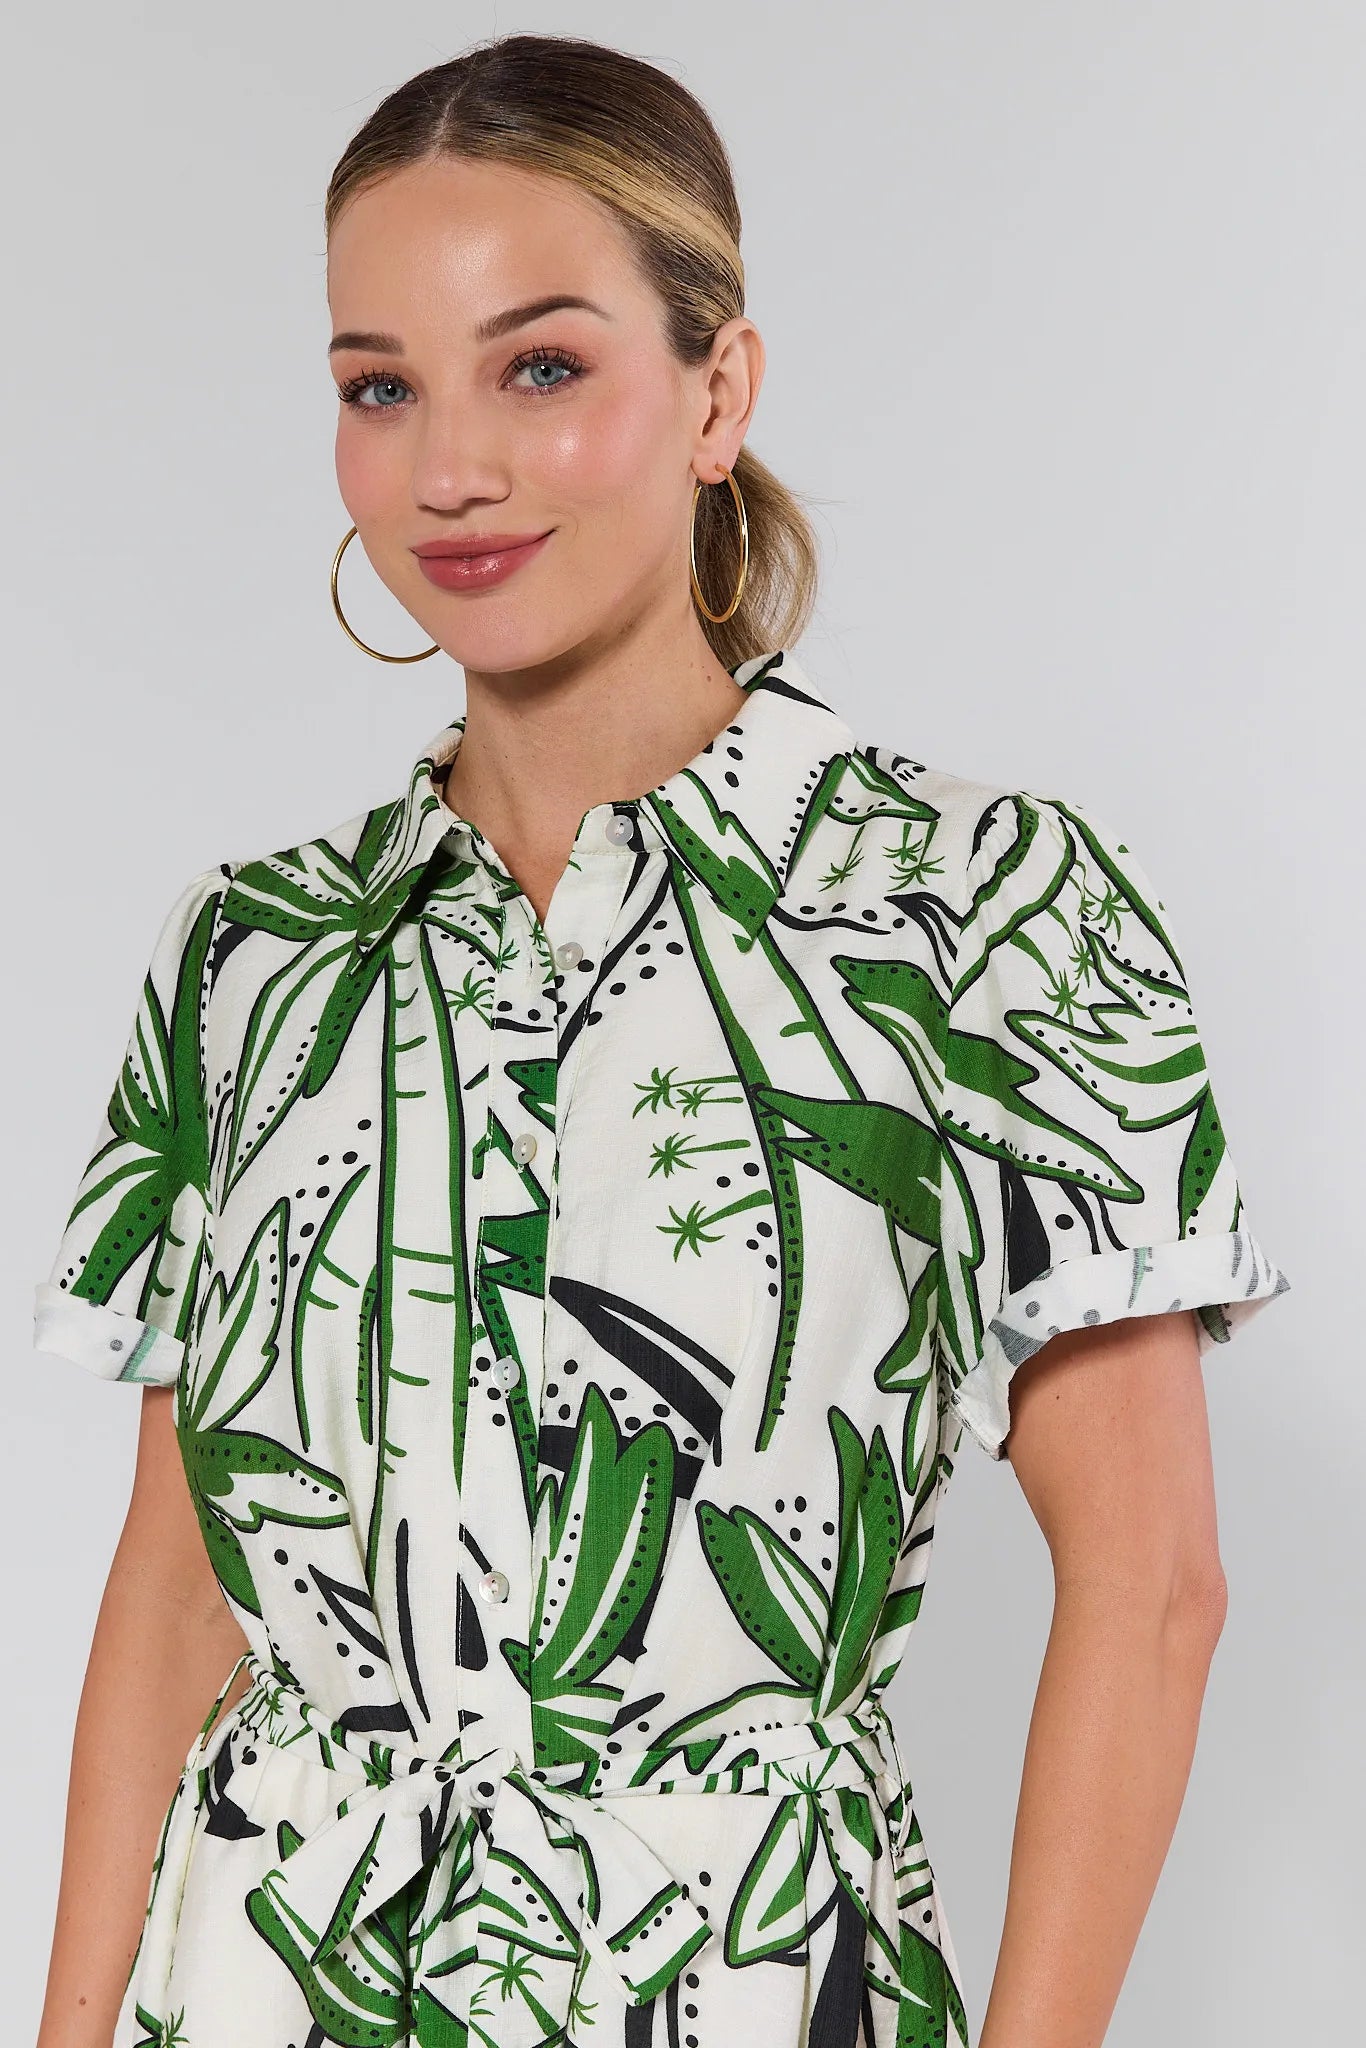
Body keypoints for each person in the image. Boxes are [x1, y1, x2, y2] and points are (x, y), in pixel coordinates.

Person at [32, 31, 1291, 2048]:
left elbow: (1147, 1585)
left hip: (745, 1988)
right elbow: (181, 1588)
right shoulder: (250, 957)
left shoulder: (981, 908)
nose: (448, 466)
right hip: (269, 1988)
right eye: (380, 388)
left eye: (538, 366)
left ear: (717, 388)